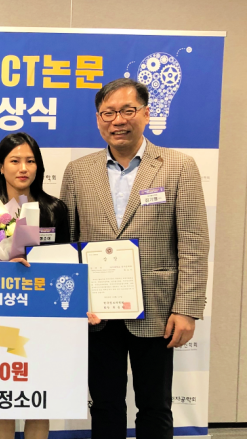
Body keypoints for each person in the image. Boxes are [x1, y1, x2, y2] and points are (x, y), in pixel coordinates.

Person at [60, 78, 208, 439]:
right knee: (105, 405)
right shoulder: (78, 171)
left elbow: (193, 242)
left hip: (157, 309)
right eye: (108, 113)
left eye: (127, 110)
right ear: (98, 119)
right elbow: (67, 243)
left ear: (146, 113)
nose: (118, 120)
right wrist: (72, 304)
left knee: (155, 407)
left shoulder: (178, 166)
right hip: (97, 312)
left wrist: (187, 308)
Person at [0, 132, 69, 439]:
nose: (23, 168)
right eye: (15, 161)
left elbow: (69, 262)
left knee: (39, 398)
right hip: (0, 315)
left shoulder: (55, 208)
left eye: (30, 161)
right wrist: (3, 270)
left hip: (46, 314)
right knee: (4, 397)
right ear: (1, 167)